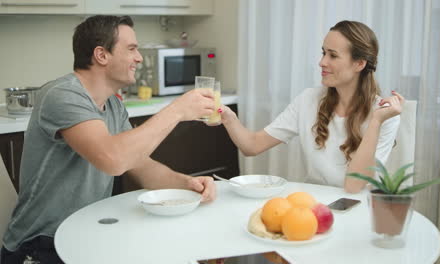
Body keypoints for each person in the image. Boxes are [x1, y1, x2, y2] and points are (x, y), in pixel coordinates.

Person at [1, 15, 216, 264]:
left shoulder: (113, 103)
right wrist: (177, 110)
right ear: (101, 55)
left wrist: (186, 183)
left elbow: (139, 165)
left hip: (87, 233)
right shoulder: (61, 95)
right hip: (40, 245)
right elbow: (113, 159)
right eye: (132, 49)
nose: (139, 58)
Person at [218, 20, 404, 193]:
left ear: (359, 64)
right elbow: (253, 146)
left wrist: (376, 122)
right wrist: (228, 117)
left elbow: (354, 187)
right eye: (324, 53)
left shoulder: (384, 116)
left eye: (333, 55)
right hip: (313, 206)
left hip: (359, 210)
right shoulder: (308, 100)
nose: (322, 62)